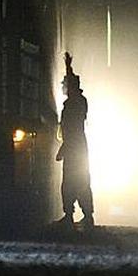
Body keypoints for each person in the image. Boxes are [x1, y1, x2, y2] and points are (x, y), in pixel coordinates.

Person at [55, 52, 95, 229]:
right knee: (78, 180)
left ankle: (76, 215)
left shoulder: (75, 103)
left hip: (74, 146)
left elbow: (71, 128)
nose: (63, 87)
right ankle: (80, 214)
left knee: (74, 180)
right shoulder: (77, 101)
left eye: (65, 85)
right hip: (77, 145)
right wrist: (68, 67)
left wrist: (64, 147)